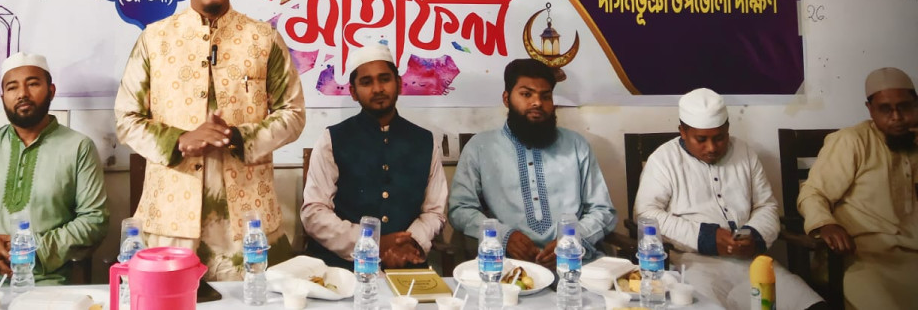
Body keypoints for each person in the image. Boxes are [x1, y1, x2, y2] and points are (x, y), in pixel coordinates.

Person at [114, 0, 306, 280]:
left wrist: (239, 137)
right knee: (171, 298)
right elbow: (127, 118)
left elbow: (293, 114)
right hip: (171, 216)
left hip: (249, 219)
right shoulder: (154, 39)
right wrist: (178, 140)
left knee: (254, 300)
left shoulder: (264, 38)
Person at [633, 88, 826, 310]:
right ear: (683, 132)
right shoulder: (663, 160)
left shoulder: (745, 153)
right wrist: (705, 237)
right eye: (701, 139)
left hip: (752, 261)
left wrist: (754, 236)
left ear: (727, 129)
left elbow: (766, 205)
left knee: (811, 306)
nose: (712, 148)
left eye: (719, 138)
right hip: (693, 264)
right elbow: (645, 214)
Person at [0, 52, 108, 294]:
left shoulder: (78, 147)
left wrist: (33, 248)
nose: (22, 94)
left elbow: (94, 219)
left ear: (51, 91)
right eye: (12, 87)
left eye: (32, 84)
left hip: (43, 278)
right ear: (2, 97)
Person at [449, 58, 616, 269]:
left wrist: (574, 239)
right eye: (526, 94)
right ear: (506, 99)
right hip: (507, 267)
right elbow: (460, 209)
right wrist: (503, 236)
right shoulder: (480, 147)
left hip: (575, 264)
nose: (537, 103)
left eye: (545, 96)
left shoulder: (576, 145)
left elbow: (603, 210)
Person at [301, 44, 447, 270]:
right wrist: (371, 243)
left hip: (406, 265)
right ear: (353, 92)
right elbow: (314, 212)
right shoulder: (332, 139)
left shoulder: (425, 141)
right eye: (366, 82)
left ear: (399, 83)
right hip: (345, 268)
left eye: (384, 79)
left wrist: (410, 244)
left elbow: (434, 211)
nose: (378, 89)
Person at [797, 67, 918, 309]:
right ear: (870, 109)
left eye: (904, 107)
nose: (896, 117)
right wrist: (826, 224)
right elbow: (813, 193)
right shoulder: (852, 141)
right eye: (885, 109)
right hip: (861, 259)